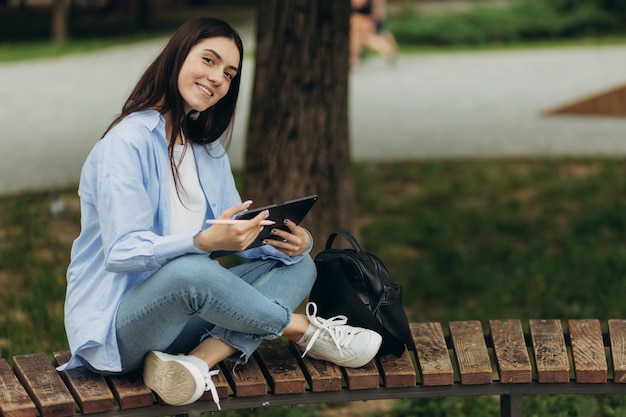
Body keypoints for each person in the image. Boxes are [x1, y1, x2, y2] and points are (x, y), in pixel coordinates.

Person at [58, 17, 382, 410]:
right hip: (119, 331)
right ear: (177, 57)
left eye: (229, 73)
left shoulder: (207, 150)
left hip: (178, 326)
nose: (217, 78)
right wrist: (199, 243)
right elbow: (121, 252)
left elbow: (241, 240)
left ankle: (194, 364)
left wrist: (293, 243)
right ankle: (305, 331)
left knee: (299, 266)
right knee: (192, 270)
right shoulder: (125, 143)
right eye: (208, 61)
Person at [350, 0, 398, 67]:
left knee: (366, 39)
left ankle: (389, 52)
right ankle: (354, 58)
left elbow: (358, 4)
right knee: (360, 39)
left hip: (363, 20)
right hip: (362, 19)